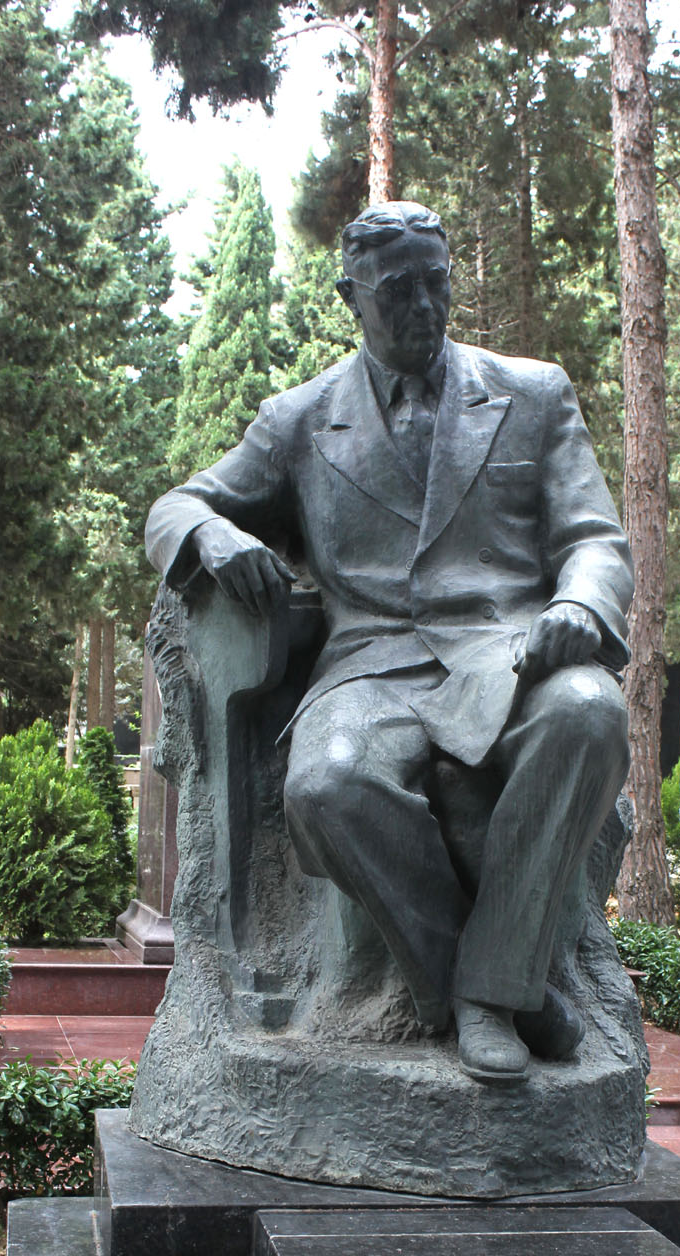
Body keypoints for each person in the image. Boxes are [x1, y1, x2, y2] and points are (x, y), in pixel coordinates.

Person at [146, 201, 633, 1084]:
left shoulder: (532, 393)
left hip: (506, 651)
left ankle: (491, 991)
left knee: (592, 711)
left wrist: (581, 607)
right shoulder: (299, 419)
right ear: (351, 296)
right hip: (371, 665)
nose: (423, 305)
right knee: (328, 782)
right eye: (398, 288)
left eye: (437, 283)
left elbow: (596, 539)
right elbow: (176, 506)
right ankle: (493, 988)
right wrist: (216, 539)